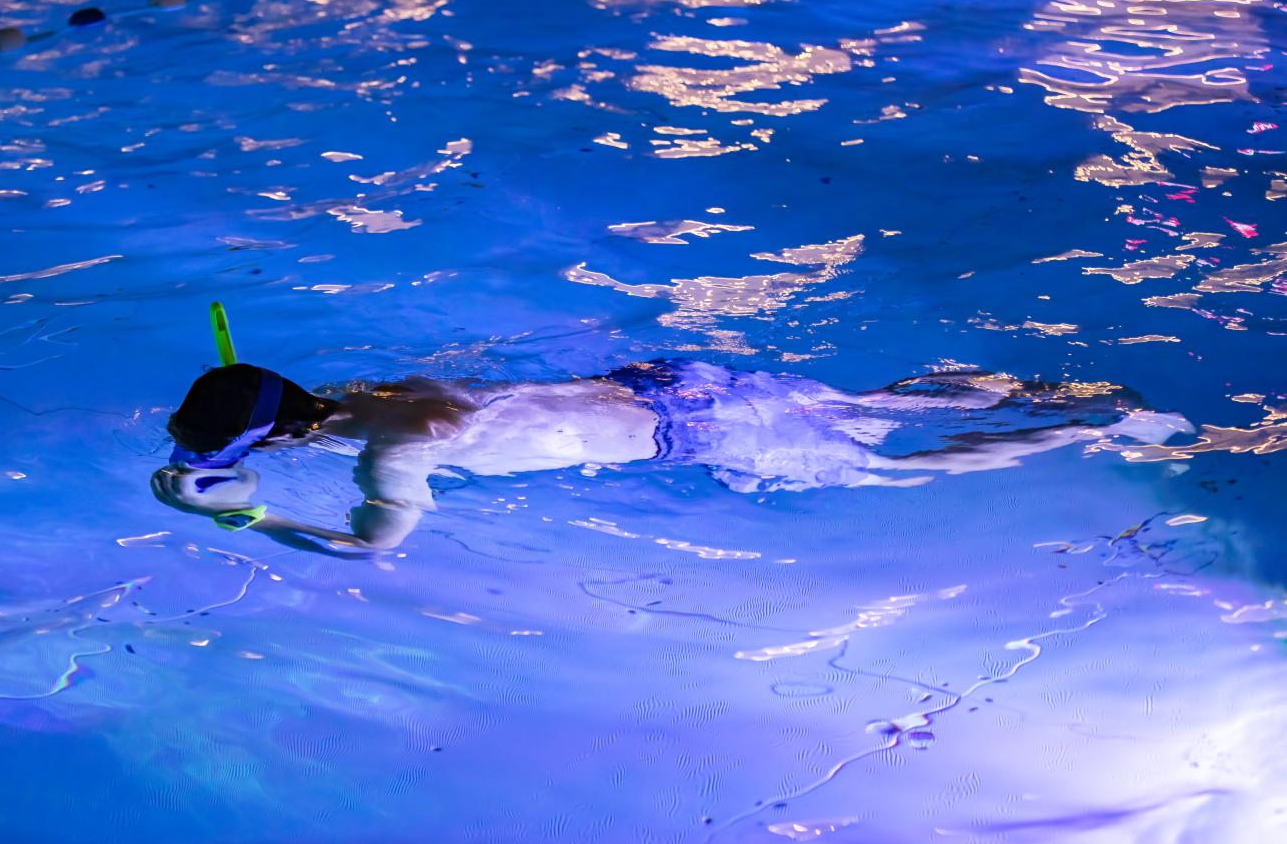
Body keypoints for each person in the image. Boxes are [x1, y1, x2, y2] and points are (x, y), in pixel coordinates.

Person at [151, 358, 1192, 552]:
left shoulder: (388, 461)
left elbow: (372, 550)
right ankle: (1033, 385)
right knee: (875, 401)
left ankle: (1101, 424)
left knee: (893, 466)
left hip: (694, 432)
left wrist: (246, 511)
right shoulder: (383, 388)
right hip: (665, 382)